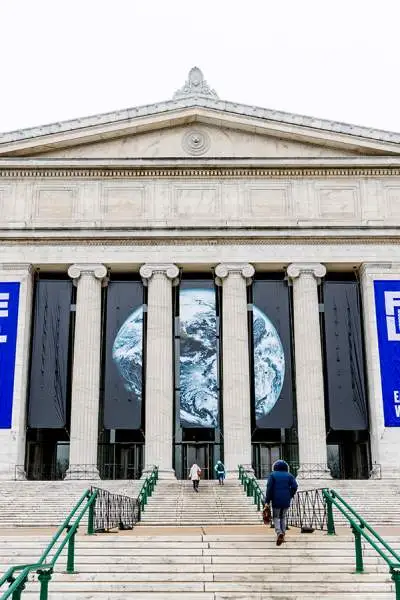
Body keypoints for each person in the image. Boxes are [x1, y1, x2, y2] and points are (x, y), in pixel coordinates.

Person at [264, 460, 298, 546]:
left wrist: (267, 501)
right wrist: (290, 494)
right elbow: (295, 486)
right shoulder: (290, 475)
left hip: (276, 499)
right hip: (286, 499)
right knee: (283, 517)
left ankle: (279, 533)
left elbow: (269, 488)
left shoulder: (273, 475)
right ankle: (283, 533)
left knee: (276, 517)